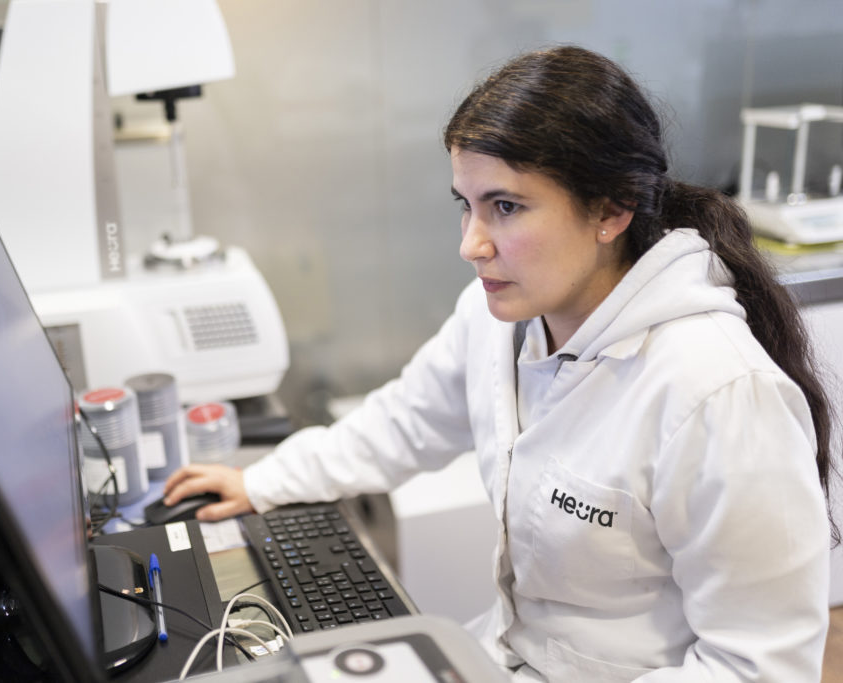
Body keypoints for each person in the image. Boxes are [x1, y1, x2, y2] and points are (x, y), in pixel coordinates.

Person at [163, 45, 837, 681]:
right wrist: (263, 481)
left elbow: (760, 666)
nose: (471, 244)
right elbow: (405, 421)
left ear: (612, 209)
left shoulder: (718, 392)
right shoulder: (498, 320)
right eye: (467, 205)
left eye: (506, 207)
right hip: (500, 656)